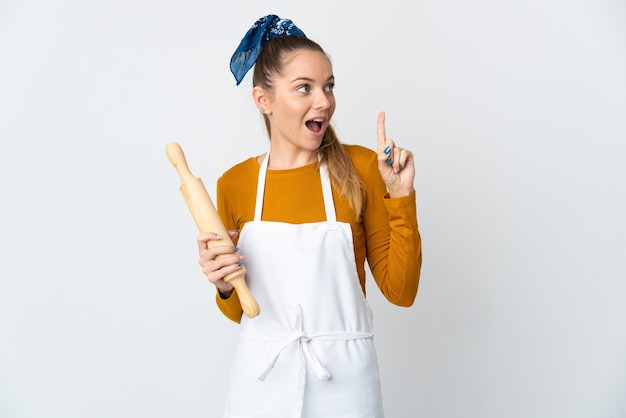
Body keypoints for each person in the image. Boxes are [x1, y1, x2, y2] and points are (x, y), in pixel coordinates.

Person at [195, 14, 422, 418]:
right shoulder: (234, 184)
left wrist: (400, 196)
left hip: (347, 388)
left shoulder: (363, 168)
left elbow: (400, 292)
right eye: (305, 88)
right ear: (263, 100)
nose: (324, 101)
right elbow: (240, 312)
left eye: (328, 86)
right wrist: (224, 286)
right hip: (258, 389)